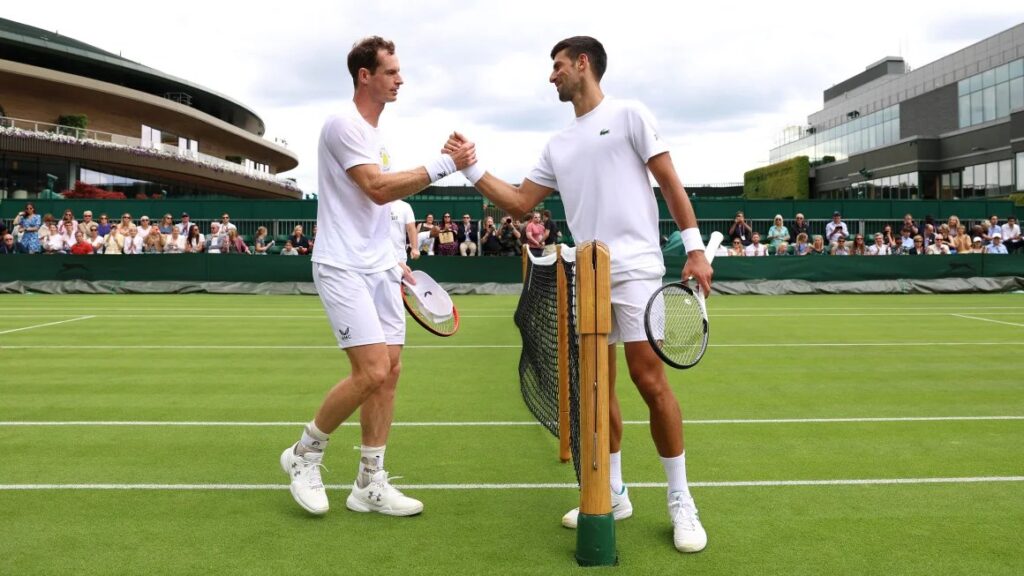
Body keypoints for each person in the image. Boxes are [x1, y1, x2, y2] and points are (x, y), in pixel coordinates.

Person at [444, 36, 712, 553]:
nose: (552, 76)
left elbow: (670, 182)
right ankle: (613, 491)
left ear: (582, 64)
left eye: (558, 66)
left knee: (649, 380)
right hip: (587, 274)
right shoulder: (557, 144)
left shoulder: (631, 114)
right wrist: (471, 168)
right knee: (597, 387)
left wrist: (696, 249)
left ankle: (681, 501)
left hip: (634, 269)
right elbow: (521, 203)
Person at [279, 35, 475, 520]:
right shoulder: (342, 124)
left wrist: (395, 260)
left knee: (390, 373)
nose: (400, 78)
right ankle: (304, 454)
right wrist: (446, 163)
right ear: (365, 75)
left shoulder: (375, 136)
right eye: (391, 71)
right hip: (342, 266)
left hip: (380, 267)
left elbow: (373, 210)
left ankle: (368, 482)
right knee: (370, 371)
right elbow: (378, 189)